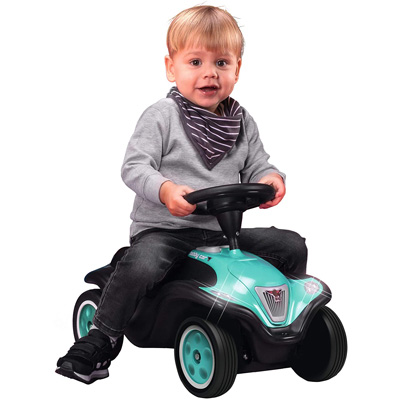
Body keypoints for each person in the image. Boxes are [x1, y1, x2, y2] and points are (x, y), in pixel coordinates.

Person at [56, 5, 307, 384]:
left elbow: (258, 164)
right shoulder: (162, 116)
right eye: (195, 62)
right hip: (166, 232)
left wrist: (271, 178)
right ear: (171, 68)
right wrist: (166, 189)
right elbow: (134, 167)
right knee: (143, 264)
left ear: (237, 69)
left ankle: (286, 325)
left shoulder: (241, 122)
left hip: (222, 234)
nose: (210, 73)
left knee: (289, 245)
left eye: (221, 62)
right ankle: (101, 336)